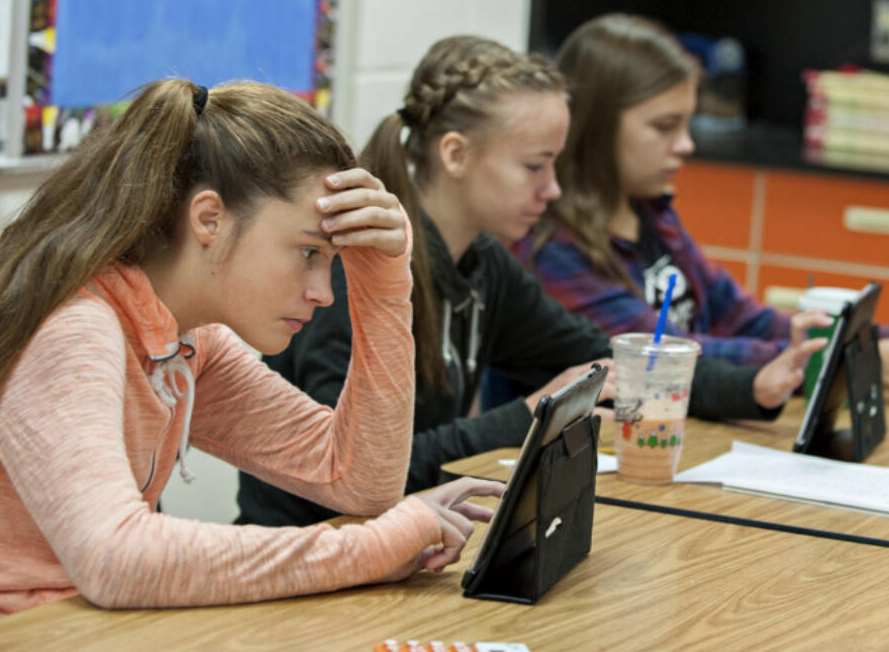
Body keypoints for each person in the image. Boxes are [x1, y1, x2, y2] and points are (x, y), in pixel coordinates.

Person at [0, 78, 502, 646]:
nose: (321, 291)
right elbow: (115, 558)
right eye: (308, 252)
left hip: (89, 635)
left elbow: (359, 479)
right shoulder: (72, 325)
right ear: (209, 219)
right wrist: (373, 544)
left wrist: (386, 281)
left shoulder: (182, 334)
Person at [238, 36, 828, 529]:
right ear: (455, 153)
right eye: (533, 166)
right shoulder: (351, 275)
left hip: (397, 543)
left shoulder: (484, 264)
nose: (552, 190)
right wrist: (530, 415)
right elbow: (342, 476)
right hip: (311, 547)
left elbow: (597, 356)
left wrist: (750, 388)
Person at [513, 13, 889, 402]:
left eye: (687, 124)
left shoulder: (653, 215)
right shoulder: (549, 248)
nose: (686, 145)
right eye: (664, 126)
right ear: (595, 125)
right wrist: (847, 360)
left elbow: (746, 320)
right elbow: (664, 357)